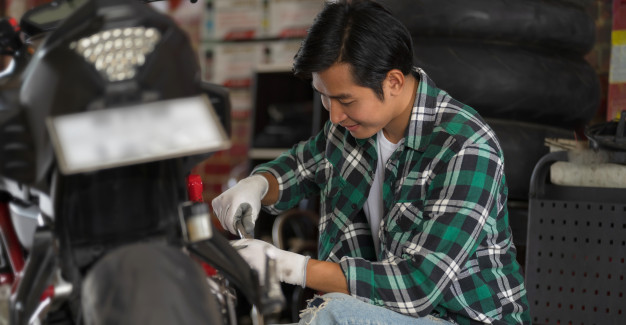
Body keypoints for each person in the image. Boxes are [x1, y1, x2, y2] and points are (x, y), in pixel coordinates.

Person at [211, 0, 530, 324]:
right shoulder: (352, 129)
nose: (334, 115)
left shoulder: (464, 147)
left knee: (334, 313)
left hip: (461, 318)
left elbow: (416, 286)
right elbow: (300, 166)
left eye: (346, 99)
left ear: (393, 82)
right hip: (382, 310)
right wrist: (258, 184)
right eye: (324, 95)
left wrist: (288, 266)